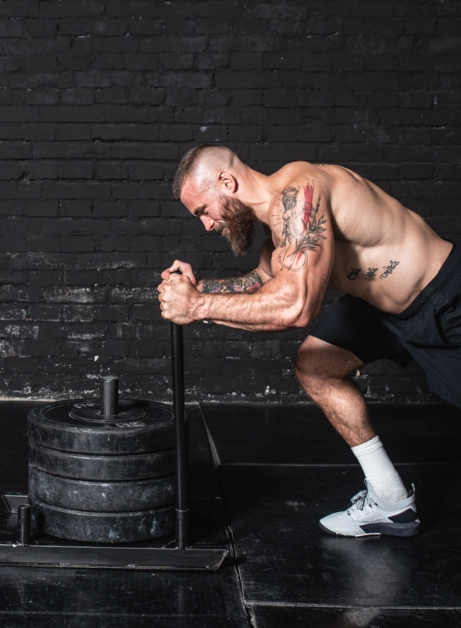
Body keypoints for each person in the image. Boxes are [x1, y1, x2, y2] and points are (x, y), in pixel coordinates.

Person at [158, 144, 461, 538]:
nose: (207, 225)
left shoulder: (299, 192)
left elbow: (296, 306)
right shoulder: (277, 234)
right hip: (380, 310)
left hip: (445, 297)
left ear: (226, 182)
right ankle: (391, 502)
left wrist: (197, 306)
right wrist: (199, 289)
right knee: (317, 366)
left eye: (203, 210)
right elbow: (262, 283)